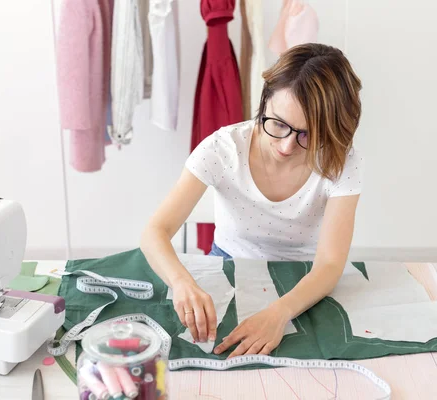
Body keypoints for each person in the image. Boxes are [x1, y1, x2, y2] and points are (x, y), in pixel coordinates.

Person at [140, 43, 363, 358]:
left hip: (305, 278)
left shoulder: (340, 161)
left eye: (307, 134)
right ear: (264, 101)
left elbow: (329, 263)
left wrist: (279, 313)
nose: (286, 147)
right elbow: (154, 232)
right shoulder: (223, 149)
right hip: (228, 261)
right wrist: (181, 283)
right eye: (278, 124)